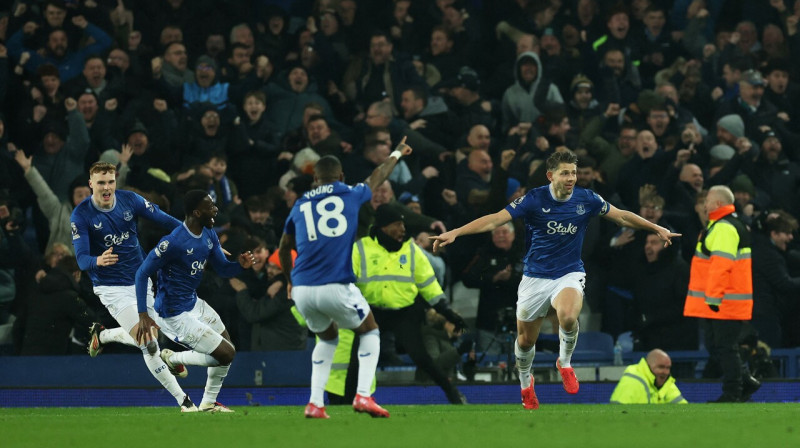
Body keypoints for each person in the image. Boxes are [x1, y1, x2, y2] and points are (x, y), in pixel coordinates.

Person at [431, 150, 679, 410]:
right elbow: (495, 219)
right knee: (526, 341)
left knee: (569, 317)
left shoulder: (588, 199)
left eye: (573, 172)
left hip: (569, 273)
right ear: (551, 175)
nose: (571, 177)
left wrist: (656, 227)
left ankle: (565, 362)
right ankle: (526, 383)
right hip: (534, 278)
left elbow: (621, 215)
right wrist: (456, 232)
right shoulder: (534, 199)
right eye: (565, 173)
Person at [278, 137, 413, 419]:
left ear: (315, 179)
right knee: (371, 330)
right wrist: (397, 152)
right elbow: (377, 176)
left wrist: (290, 281)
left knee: (327, 339)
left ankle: (315, 403)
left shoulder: (301, 203)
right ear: (340, 176)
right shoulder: (351, 193)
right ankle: (363, 395)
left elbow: (283, 247)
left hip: (302, 289)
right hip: (335, 285)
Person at [71, 162, 194, 411]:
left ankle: (103, 335)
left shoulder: (130, 201)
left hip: (140, 280)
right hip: (111, 288)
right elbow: (82, 259)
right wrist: (98, 260)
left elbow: (166, 220)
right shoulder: (81, 215)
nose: (107, 188)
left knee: (158, 331)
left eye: (111, 182)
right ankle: (185, 401)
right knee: (148, 342)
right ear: (91, 184)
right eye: (101, 183)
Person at [134, 190, 256, 413]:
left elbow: (222, 268)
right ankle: (173, 358)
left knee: (226, 349)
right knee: (226, 353)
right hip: (173, 313)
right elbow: (142, 274)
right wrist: (143, 314)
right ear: (197, 212)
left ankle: (208, 404)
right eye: (210, 206)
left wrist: (239, 265)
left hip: (193, 303)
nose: (215, 209)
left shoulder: (209, 234)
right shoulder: (172, 242)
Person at [352, 204, 467, 404]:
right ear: (383, 226)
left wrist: (448, 313)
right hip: (370, 312)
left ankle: (453, 394)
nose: (403, 229)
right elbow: (348, 282)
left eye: (403, 224)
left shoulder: (411, 250)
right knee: (355, 360)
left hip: (403, 313)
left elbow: (429, 286)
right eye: (397, 224)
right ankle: (346, 402)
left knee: (422, 358)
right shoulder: (361, 248)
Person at [683, 185, 758, 403]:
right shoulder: (722, 226)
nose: (704, 205)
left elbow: (721, 267)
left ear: (717, 204)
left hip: (722, 301)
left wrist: (713, 299)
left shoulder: (724, 228)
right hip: (722, 300)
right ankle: (745, 383)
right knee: (718, 347)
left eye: (707, 201)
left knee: (724, 348)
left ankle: (734, 392)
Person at [609, 349, 688, 404]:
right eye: (661, 367)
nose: (666, 372)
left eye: (668, 368)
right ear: (648, 366)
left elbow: (684, 411)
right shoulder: (632, 381)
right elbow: (617, 415)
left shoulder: (667, 383)